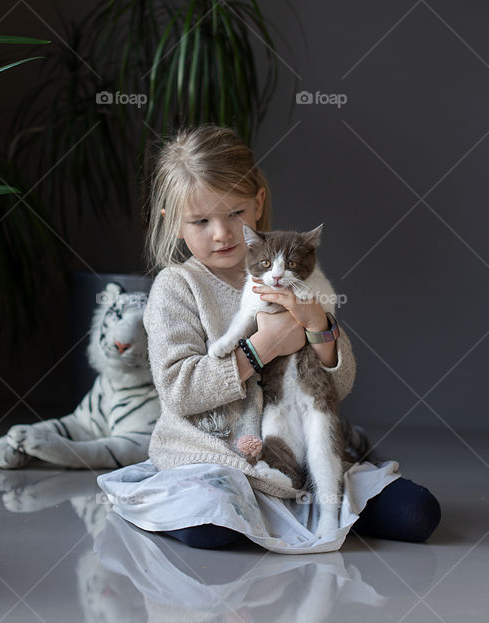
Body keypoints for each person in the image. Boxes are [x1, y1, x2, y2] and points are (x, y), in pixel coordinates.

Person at [98, 124, 440, 552]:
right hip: (213, 459)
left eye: (235, 214)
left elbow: (339, 383)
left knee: (417, 513)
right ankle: (244, 504)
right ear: (174, 223)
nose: (221, 233)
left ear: (258, 204)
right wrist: (264, 346)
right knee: (214, 526)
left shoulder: (292, 272)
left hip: (292, 456)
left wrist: (319, 328)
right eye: (201, 221)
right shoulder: (177, 287)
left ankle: (305, 494)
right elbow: (179, 389)